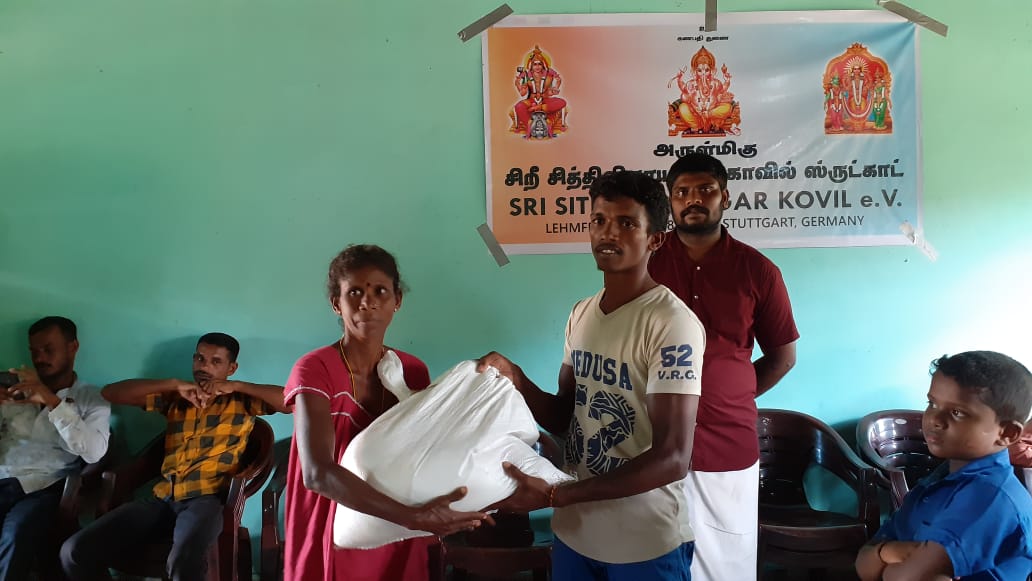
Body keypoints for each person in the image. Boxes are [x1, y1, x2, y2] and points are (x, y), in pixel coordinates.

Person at [479, 170, 706, 580]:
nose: (608, 232)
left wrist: (556, 494)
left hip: (642, 542)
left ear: (655, 239)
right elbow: (564, 417)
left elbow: (673, 457)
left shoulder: (671, 323)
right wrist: (516, 378)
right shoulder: (581, 314)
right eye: (599, 220)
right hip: (576, 533)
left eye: (626, 223)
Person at [284, 244, 488, 581]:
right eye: (354, 292)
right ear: (336, 303)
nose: (368, 302)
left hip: (397, 526)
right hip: (334, 520)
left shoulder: (412, 370)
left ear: (397, 300)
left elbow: (425, 454)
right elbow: (317, 474)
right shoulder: (315, 368)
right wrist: (412, 517)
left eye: (380, 291)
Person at [648, 152, 798, 581]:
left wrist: (731, 393)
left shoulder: (758, 271)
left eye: (705, 190)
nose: (693, 200)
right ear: (670, 202)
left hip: (727, 440)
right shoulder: (646, 263)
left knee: (726, 559)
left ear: (725, 198)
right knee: (655, 555)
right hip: (651, 440)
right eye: (682, 192)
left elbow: (783, 356)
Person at [61, 332, 286, 581]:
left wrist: (237, 386)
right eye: (199, 359)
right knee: (74, 551)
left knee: (183, 561)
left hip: (206, 500)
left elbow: (289, 401)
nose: (204, 367)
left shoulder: (242, 401)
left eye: (215, 362)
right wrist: (174, 384)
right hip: (163, 498)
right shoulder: (177, 398)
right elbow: (111, 393)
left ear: (231, 368)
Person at [855, 351, 1032, 580]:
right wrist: (886, 552)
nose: (934, 419)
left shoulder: (990, 498)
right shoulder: (939, 481)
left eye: (957, 412)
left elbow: (904, 577)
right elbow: (863, 563)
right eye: (932, 403)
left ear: (1007, 433)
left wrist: (885, 556)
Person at [0, 316, 109, 581]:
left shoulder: (92, 398)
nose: (40, 358)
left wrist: (52, 402)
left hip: (46, 486)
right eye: (34, 351)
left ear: (73, 347)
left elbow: (94, 452)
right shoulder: (13, 389)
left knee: (16, 531)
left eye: (48, 350)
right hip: (4, 478)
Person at [512, 45, 567, 138]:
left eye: (539, 64)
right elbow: (522, 93)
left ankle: (541, 110)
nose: (537, 67)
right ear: (531, 65)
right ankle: (530, 125)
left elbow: (558, 80)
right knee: (519, 106)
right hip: (531, 100)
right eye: (535, 64)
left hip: (545, 100)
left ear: (543, 64)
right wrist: (519, 85)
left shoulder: (549, 73)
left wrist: (555, 88)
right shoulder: (526, 75)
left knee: (562, 102)